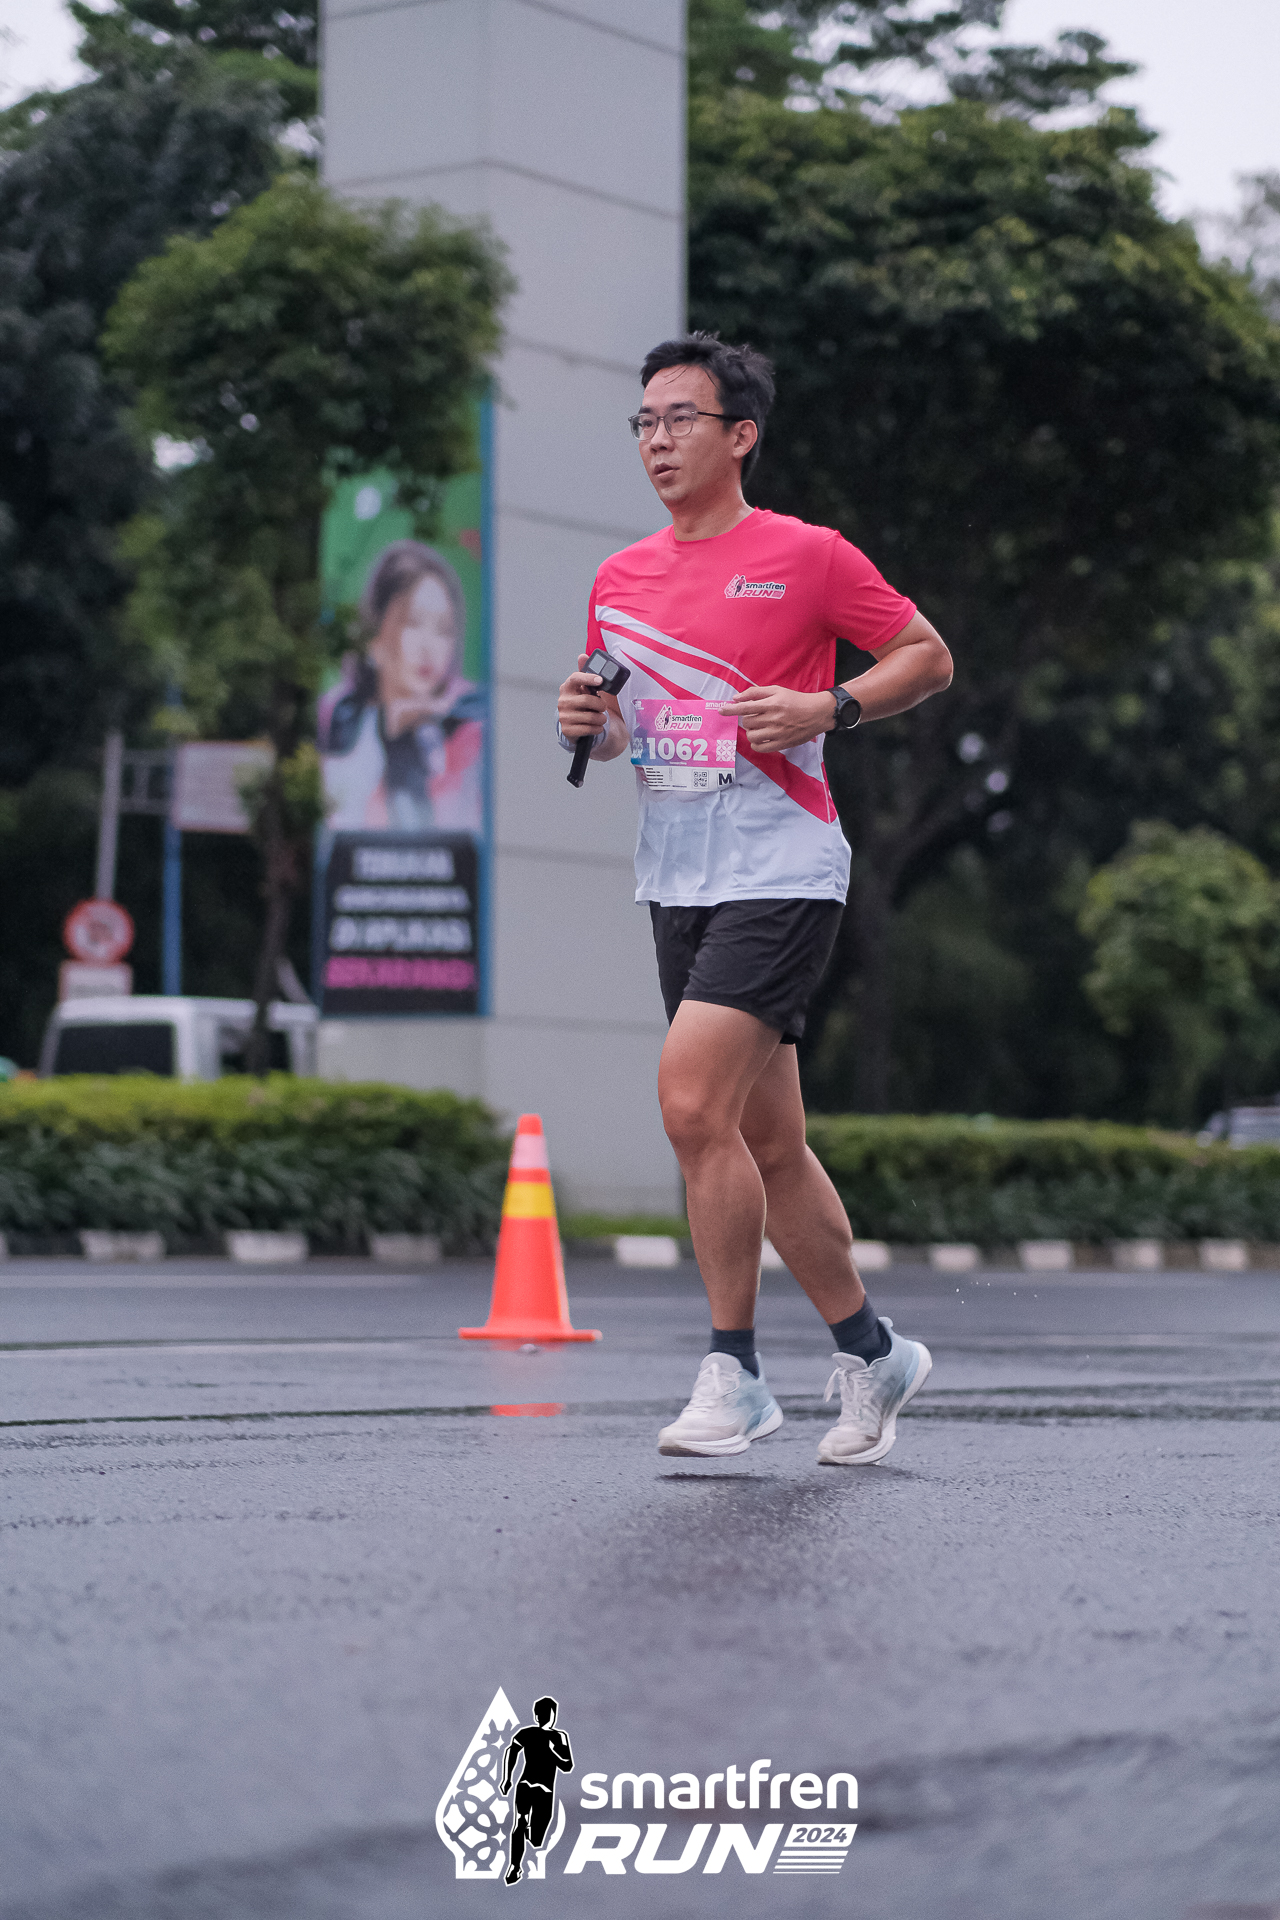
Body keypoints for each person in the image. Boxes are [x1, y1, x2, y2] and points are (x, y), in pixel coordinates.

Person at [556, 332, 953, 1466]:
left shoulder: (807, 555)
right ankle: (875, 1352)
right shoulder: (620, 577)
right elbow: (621, 719)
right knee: (769, 1142)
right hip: (676, 875)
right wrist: (588, 722)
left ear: (740, 435)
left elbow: (926, 656)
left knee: (691, 1106)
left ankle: (733, 1374)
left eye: (678, 418)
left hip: (781, 867)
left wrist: (830, 707)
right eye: (643, 421)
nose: (656, 440)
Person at [319, 539, 485, 832]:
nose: (429, 646)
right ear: (375, 637)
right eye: (413, 622)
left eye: (444, 630)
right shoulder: (342, 727)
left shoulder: (469, 729)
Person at [499, 1695, 573, 1886]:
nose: (545, 1717)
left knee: (536, 1838)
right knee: (520, 1821)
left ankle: (527, 1834)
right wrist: (507, 1778)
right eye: (541, 1713)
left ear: (553, 1714)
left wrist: (552, 1751)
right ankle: (515, 1866)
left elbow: (567, 1766)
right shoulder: (527, 1733)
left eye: (548, 1713)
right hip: (526, 1785)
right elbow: (511, 1751)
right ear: (536, 1715)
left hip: (545, 1791)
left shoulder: (559, 1737)